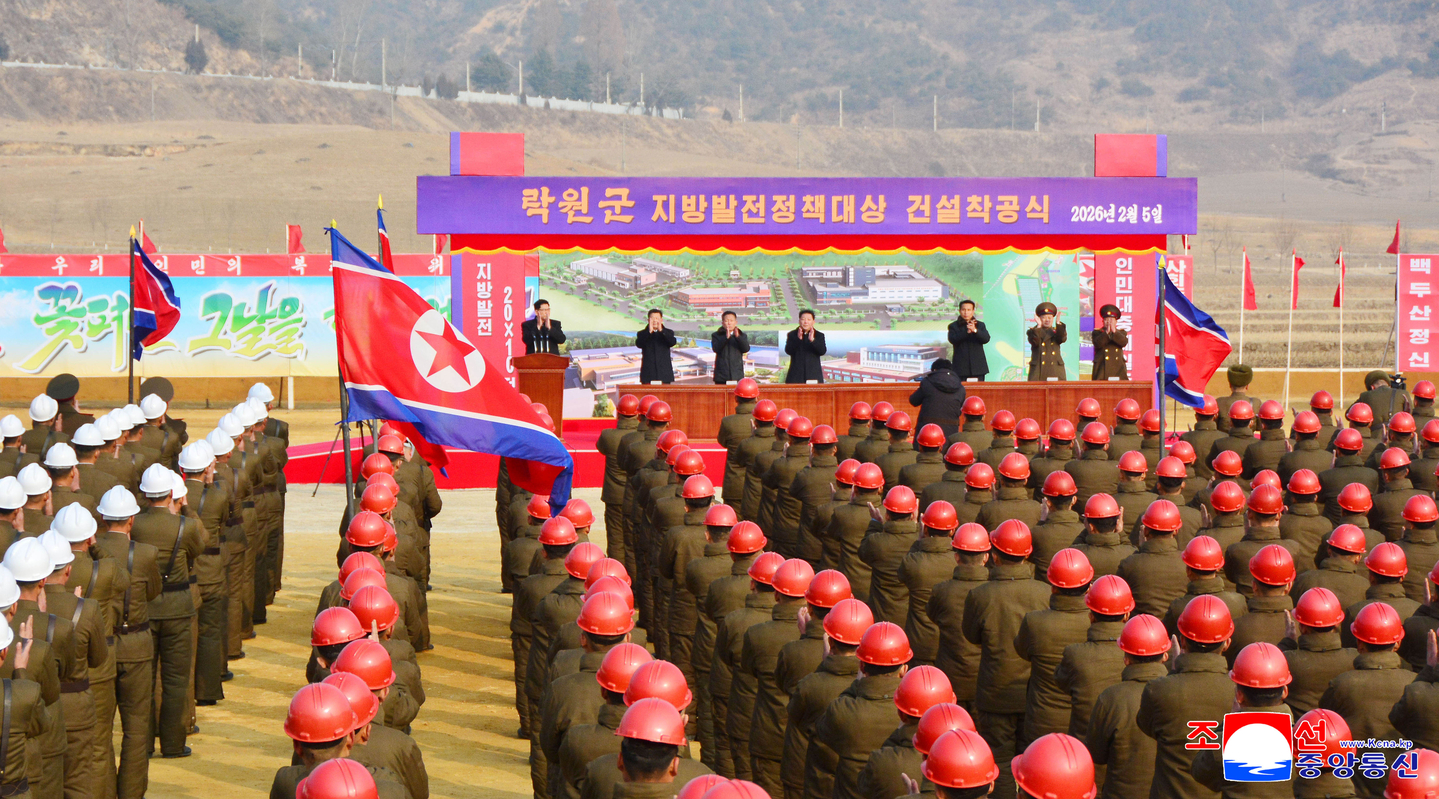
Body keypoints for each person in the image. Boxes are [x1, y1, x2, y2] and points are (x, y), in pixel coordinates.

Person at [909, 360, 966, 437]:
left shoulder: (927, 382)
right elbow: (960, 410)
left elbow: (913, 401)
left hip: (927, 435)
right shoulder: (961, 388)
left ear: (934, 370)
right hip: (951, 436)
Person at [947, 300, 990, 382]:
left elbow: (986, 339)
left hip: (978, 368)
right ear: (959, 311)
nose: (966, 312)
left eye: (969, 310)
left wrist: (975, 330)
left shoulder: (980, 325)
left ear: (973, 311)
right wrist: (966, 332)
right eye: (963, 310)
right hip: (960, 368)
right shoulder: (953, 326)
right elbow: (953, 339)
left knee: (978, 392)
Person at [1026, 302, 1066, 381]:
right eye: (1044, 317)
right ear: (1039, 318)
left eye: (1049, 317)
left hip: (1055, 370)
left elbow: (1062, 338)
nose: (1047, 320)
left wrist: (1058, 324)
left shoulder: (1057, 331)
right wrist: (1038, 328)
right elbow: (1035, 342)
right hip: (1038, 371)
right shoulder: (1033, 331)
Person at [784, 310, 827, 384]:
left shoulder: (819, 335)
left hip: (813, 375)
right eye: (803, 319)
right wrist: (798, 339)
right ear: (799, 321)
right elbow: (788, 351)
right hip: (795, 376)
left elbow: (822, 351)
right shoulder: (792, 335)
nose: (806, 322)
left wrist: (813, 340)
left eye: (809, 319)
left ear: (813, 322)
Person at [636, 309, 677, 385]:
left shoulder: (668, 332)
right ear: (648, 320)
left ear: (661, 320)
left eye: (657, 318)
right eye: (652, 318)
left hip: (664, 374)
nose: (655, 321)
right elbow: (639, 344)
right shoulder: (642, 334)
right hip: (648, 374)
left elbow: (672, 342)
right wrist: (649, 332)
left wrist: (661, 331)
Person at [1091, 304, 1129, 381]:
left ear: (1116, 321)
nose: (1109, 322)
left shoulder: (1121, 333)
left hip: (1118, 369)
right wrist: (1107, 333)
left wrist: (1114, 331)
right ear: (1103, 321)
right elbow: (1098, 344)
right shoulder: (1097, 332)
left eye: (1111, 320)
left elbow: (1123, 342)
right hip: (1102, 369)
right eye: (1106, 320)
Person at [710, 312, 750, 384]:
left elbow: (746, 349)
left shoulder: (741, 335)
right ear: (722, 323)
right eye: (726, 321)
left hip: (737, 375)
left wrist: (738, 337)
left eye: (731, 321)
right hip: (721, 376)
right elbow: (716, 349)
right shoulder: (716, 335)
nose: (729, 323)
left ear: (735, 322)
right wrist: (726, 338)